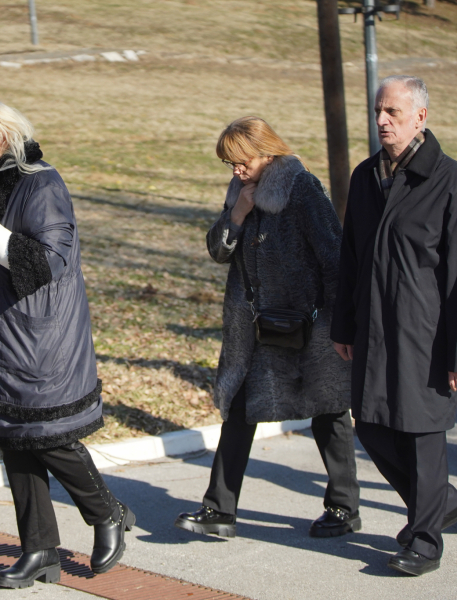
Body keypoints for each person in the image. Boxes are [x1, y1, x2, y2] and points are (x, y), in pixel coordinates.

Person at [0, 99, 134, 589]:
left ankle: (107, 512)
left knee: (48, 436)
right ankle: (39, 550)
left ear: (4, 136)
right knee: (13, 436)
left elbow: (48, 261)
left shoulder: (41, 183)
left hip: (41, 335)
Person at [173, 117, 361, 541]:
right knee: (241, 408)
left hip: (312, 324)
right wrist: (237, 214)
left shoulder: (302, 188)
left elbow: (334, 256)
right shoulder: (240, 191)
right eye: (231, 164)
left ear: (267, 152)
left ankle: (344, 507)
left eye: (242, 162)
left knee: (329, 410)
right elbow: (218, 251)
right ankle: (219, 509)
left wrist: (340, 324)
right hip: (257, 327)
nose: (237, 171)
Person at [331, 75, 457, 576]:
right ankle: (441, 502)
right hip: (373, 328)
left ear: (420, 117)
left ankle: (424, 541)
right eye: (379, 110)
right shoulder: (365, 176)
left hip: (427, 334)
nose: (381, 120)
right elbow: (350, 257)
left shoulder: (452, 181)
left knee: (422, 435)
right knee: (372, 427)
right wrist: (344, 325)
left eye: (393, 112)